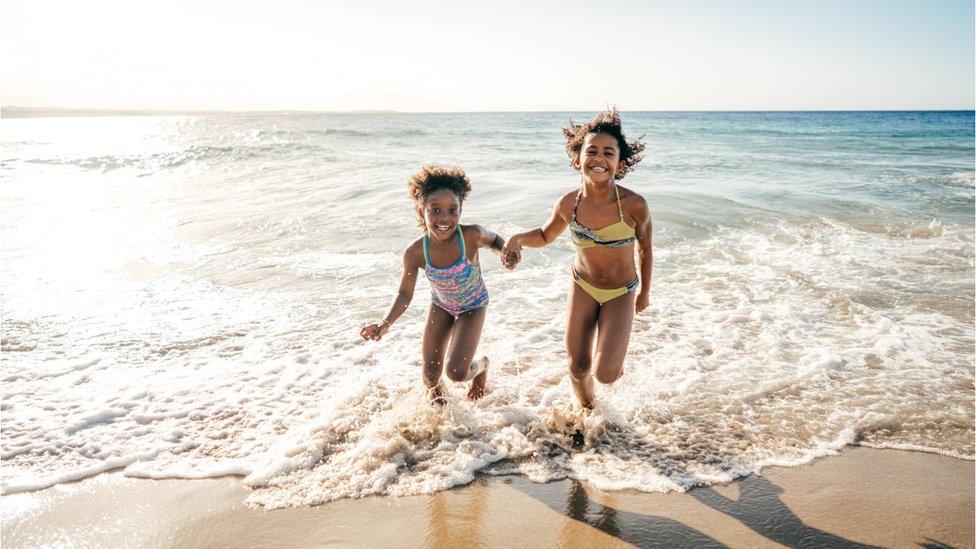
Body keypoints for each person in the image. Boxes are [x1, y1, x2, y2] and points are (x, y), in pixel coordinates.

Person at [502, 108, 651, 409]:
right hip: (583, 286)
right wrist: (517, 239)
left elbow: (645, 248)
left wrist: (644, 292)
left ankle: (614, 357)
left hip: (621, 292)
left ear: (620, 164)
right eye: (591, 150)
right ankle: (588, 410)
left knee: (606, 374)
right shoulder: (570, 203)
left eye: (608, 153)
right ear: (577, 159)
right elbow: (545, 235)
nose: (599, 158)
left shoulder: (635, 205)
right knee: (577, 367)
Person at [361, 165, 506, 404]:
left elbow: (496, 241)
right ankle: (442, 422)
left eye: (452, 211)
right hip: (441, 305)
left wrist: (505, 253)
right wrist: (385, 323)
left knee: (456, 373)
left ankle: (483, 366)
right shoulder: (416, 252)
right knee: (430, 377)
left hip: (473, 305)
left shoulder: (471, 235)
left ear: (460, 210)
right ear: (421, 212)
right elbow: (404, 294)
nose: (444, 218)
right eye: (435, 210)